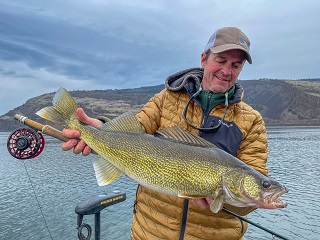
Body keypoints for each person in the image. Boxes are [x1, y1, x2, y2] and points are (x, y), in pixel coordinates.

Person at [62, 26, 268, 240]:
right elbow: (137, 128)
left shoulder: (251, 121)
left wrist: (231, 199)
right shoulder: (165, 99)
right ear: (204, 59)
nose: (227, 71)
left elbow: (252, 196)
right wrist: (101, 129)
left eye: (236, 65)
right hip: (149, 233)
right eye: (220, 60)